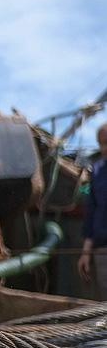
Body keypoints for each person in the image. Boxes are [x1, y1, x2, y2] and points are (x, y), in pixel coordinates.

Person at [78, 123, 107, 298]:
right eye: (102, 144)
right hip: (103, 250)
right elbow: (92, 215)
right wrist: (85, 253)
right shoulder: (97, 171)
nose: (105, 149)